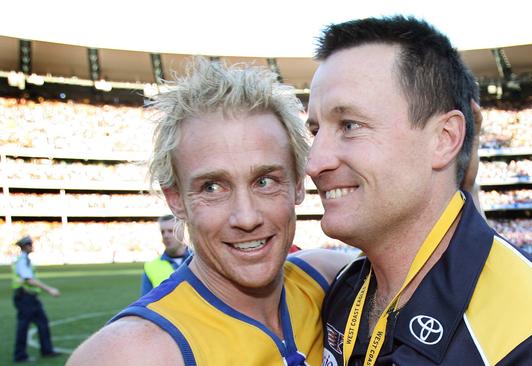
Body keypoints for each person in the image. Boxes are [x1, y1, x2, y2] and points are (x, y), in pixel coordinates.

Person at [307, 16, 532, 365]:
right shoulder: (345, 294)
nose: (314, 163)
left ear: (444, 139)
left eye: (349, 125)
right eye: (316, 130)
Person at [68, 58, 350, 365]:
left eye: (265, 181)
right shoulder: (131, 354)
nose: (246, 217)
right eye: (213, 187)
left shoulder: (330, 279)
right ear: (176, 199)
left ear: (298, 184)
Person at [11, 235, 62, 363]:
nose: (32, 247)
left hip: (29, 298)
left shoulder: (24, 260)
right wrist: (49, 289)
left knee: (42, 323)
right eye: (30, 244)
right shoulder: (22, 261)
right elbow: (29, 279)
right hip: (25, 298)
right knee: (24, 326)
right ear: (25, 246)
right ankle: (20, 355)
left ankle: (47, 350)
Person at [140, 214, 192, 296]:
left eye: (171, 231)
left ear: (182, 231)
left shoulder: (200, 260)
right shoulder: (151, 267)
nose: (166, 235)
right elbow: (146, 304)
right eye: (162, 232)